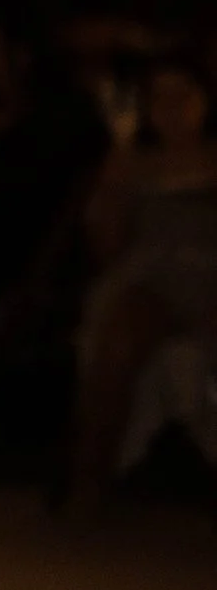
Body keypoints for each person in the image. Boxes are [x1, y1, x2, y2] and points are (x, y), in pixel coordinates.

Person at [68, 56, 217, 516]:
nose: (170, 107)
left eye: (183, 95)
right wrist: (113, 184)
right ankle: (90, 475)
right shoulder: (131, 162)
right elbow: (106, 248)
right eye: (159, 97)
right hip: (149, 275)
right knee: (120, 335)